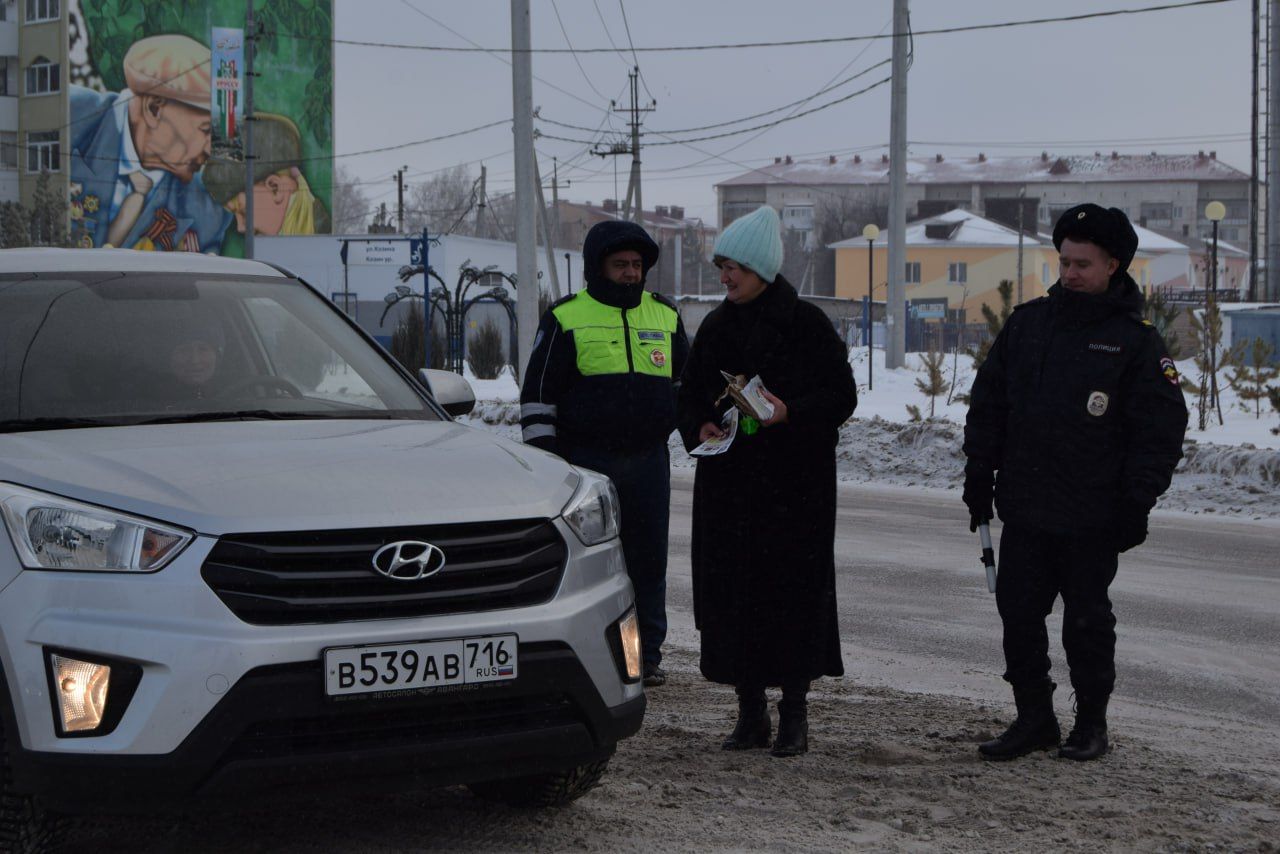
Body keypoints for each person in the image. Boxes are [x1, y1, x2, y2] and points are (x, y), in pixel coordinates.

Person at [963, 203, 1188, 762]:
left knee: (1086, 624)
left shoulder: (1135, 342)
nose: (1070, 274)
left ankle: (1090, 724)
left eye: (1083, 264)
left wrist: (1137, 502)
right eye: (1064, 262)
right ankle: (1033, 718)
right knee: (1017, 614)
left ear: (1113, 264)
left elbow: (1159, 430)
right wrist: (978, 470)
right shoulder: (1028, 324)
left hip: (1093, 514)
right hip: (1027, 506)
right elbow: (989, 404)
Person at [675, 205, 857, 757]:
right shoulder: (714, 325)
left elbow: (841, 397)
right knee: (733, 598)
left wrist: (788, 412)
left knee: (791, 598)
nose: (725, 276)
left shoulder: (807, 324)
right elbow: (689, 393)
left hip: (793, 489)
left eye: (735, 267)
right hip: (730, 488)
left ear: (762, 269)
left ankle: (794, 714)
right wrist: (699, 424)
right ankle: (749, 711)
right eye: (721, 265)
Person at [520, 220, 690, 687]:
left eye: (637, 265)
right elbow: (537, 395)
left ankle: (647, 656)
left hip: (649, 461)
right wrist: (547, 464)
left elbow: (686, 389)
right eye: (621, 265)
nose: (631, 274)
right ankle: (592, 651)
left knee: (649, 562)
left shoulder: (666, 316)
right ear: (599, 268)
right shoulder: (565, 317)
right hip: (585, 465)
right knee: (591, 564)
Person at [68, 34, 232, 253]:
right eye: (206, 131)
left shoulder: (209, 211)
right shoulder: (68, 114)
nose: (210, 150)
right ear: (154, 108)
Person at [203, 113, 332, 254]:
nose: (240, 227)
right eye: (236, 215)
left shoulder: (322, 240)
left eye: (245, 213)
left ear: (275, 188)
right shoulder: (316, 236)